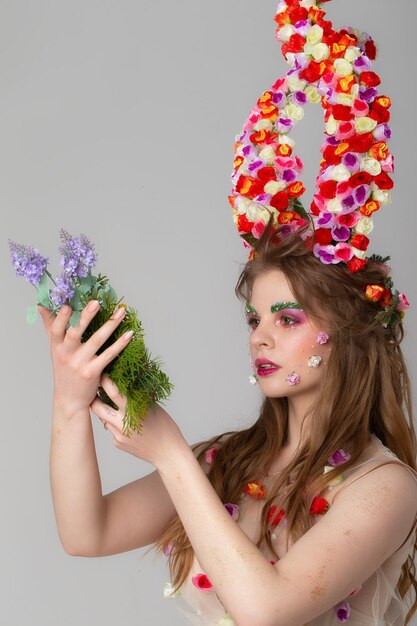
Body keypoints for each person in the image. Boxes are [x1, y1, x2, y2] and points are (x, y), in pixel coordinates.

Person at [38, 222, 417, 626]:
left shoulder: (385, 487)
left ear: (348, 332)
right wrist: (69, 401)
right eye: (254, 321)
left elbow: (265, 611)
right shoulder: (225, 462)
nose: (259, 339)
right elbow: (86, 533)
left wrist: (170, 455)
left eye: (287, 320)